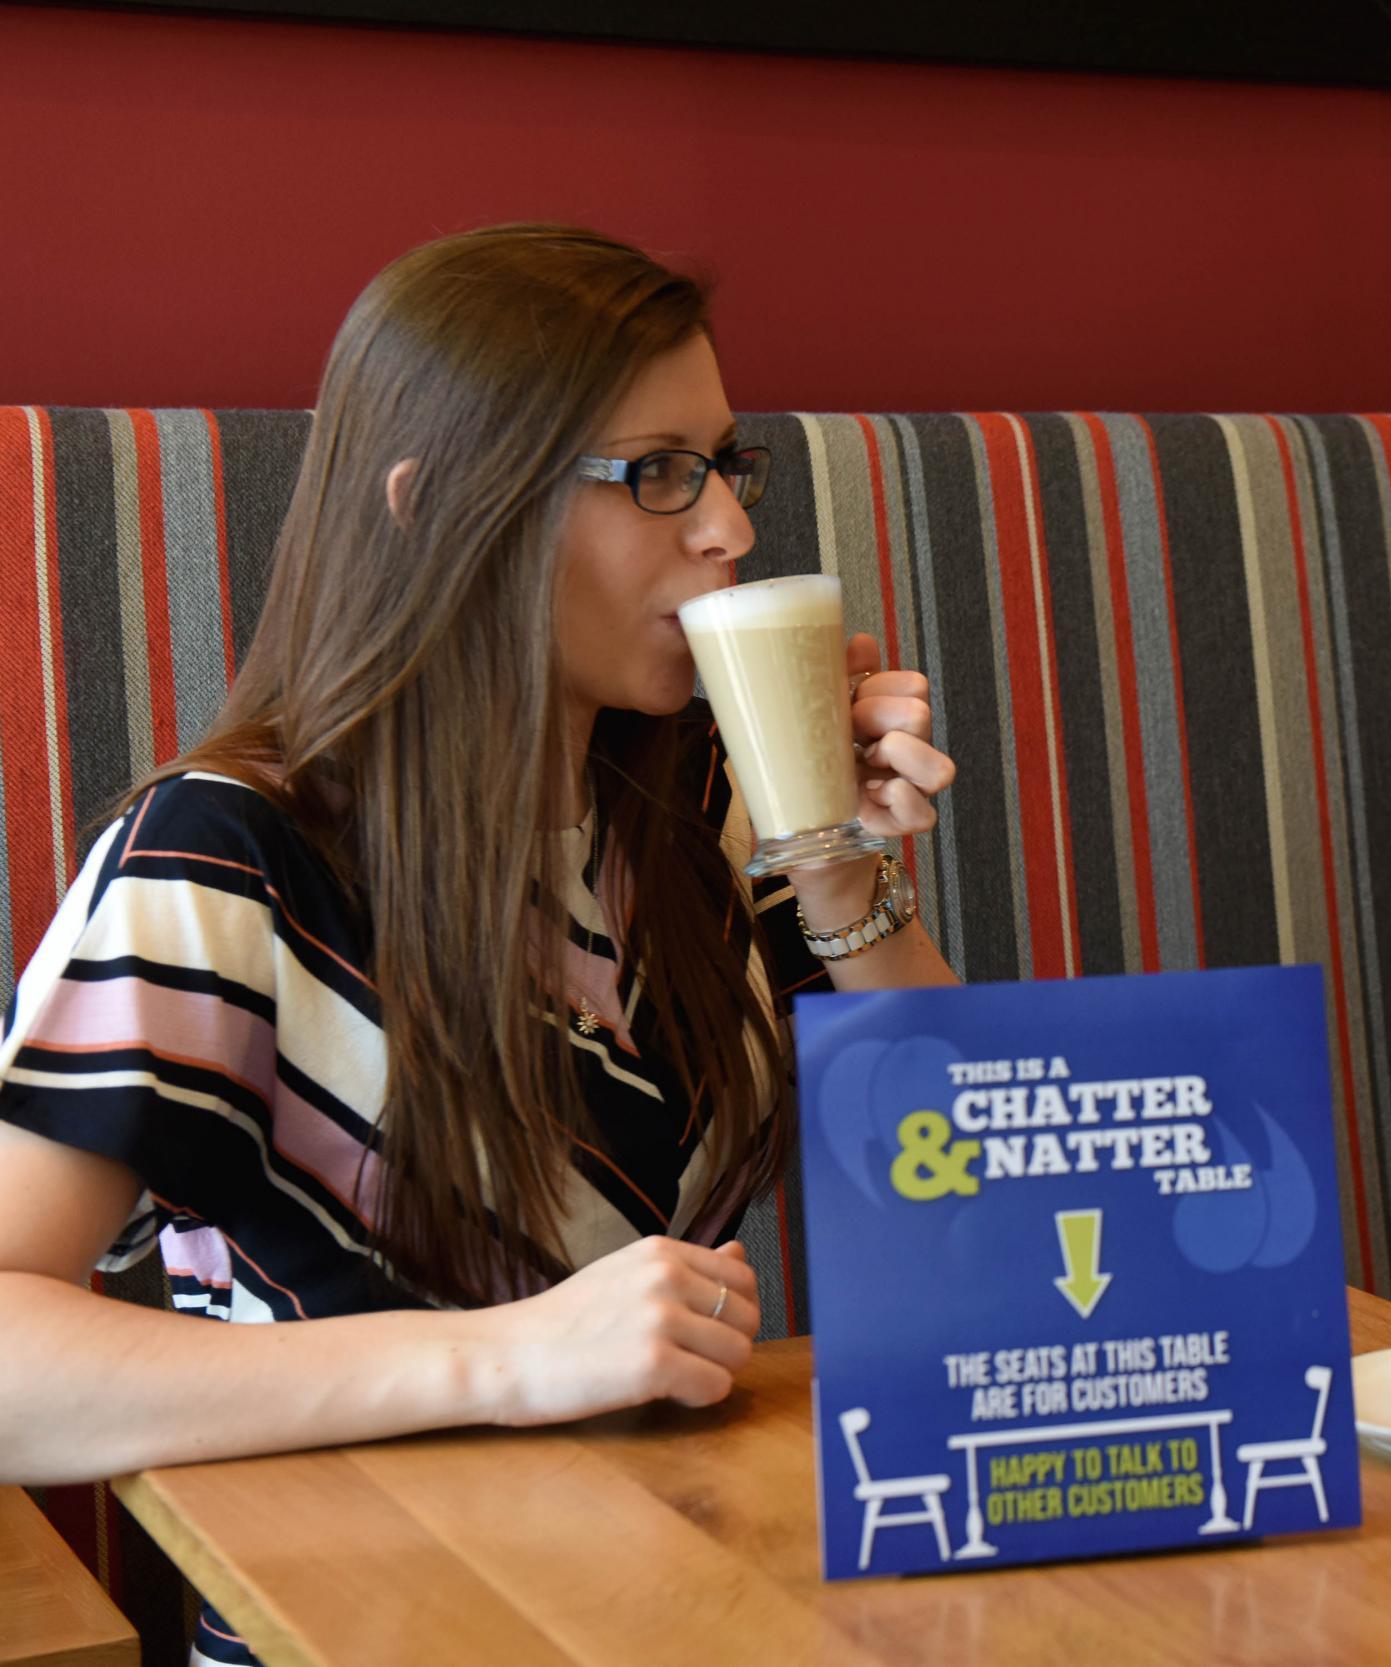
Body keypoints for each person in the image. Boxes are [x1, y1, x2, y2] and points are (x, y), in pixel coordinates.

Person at [0, 226, 958, 1664]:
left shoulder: (698, 801)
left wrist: (832, 861)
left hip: (701, 1607)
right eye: (656, 475)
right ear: (436, 502)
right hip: (365, 1624)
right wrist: (513, 1360)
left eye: (725, 467)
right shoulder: (229, 860)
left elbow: (972, 1182)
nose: (731, 533)